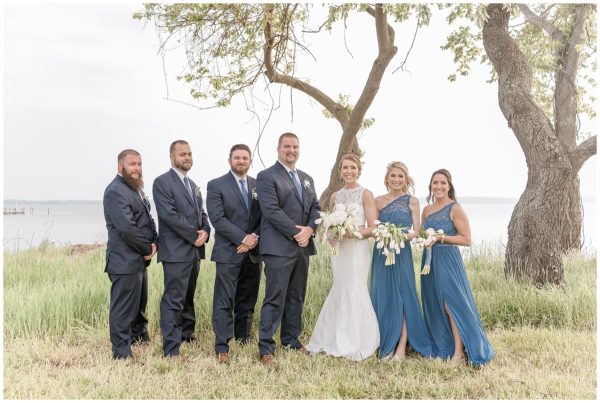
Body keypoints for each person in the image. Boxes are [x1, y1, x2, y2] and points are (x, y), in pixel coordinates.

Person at [306, 154, 380, 361]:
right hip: (340, 251)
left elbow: (373, 228)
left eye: (353, 168)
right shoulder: (334, 197)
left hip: (357, 249)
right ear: (340, 171)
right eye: (345, 168)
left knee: (355, 288)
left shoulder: (366, 194)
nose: (349, 171)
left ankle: (358, 340)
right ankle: (333, 337)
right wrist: (331, 236)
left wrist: (350, 233)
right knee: (340, 287)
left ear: (359, 170)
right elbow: (329, 225)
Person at [256, 132, 321, 366]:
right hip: (278, 248)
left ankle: (291, 339)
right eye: (287, 146)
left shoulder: (307, 178)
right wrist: (297, 232)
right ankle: (266, 347)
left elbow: (316, 207)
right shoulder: (266, 176)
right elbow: (271, 211)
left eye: (295, 146)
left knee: (296, 296)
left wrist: (310, 229)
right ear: (278, 149)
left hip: (302, 248)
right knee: (275, 297)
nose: (291, 150)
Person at [420, 168, 495, 366]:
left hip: (447, 259)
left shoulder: (455, 208)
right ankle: (443, 346)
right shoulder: (426, 210)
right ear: (430, 186)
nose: (438, 186)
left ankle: (459, 353)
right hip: (429, 261)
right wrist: (424, 240)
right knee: (434, 303)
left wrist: (441, 237)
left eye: (443, 183)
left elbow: (466, 239)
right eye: (435, 183)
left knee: (452, 305)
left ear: (449, 186)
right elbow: (422, 235)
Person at [152, 140, 211, 357]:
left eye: (189, 154)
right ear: (172, 157)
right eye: (182, 154)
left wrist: (205, 231)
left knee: (188, 296)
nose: (187, 158)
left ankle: (187, 334)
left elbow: (201, 214)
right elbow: (169, 216)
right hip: (176, 251)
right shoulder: (162, 182)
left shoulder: (193, 185)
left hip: (194, 251)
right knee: (173, 299)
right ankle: (171, 347)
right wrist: (194, 235)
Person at [369, 162, 433, 360]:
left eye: (400, 176)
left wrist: (399, 237)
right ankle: (387, 342)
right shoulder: (378, 201)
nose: (396, 180)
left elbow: (416, 230)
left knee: (404, 295)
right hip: (382, 253)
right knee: (385, 296)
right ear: (387, 178)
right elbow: (373, 227)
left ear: (406, 179)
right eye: (393, 176)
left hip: (401, 251)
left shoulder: (412, 201)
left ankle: (401, 347)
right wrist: (385, 236)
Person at [207, 144, 262, 365]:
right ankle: (222, 345)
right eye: (237, 158)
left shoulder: (258, 185)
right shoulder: (216, 185)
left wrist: (253, 239)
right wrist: (242, 239)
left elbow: (265, 217)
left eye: (245, 158)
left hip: (253, 252)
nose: (241, 161)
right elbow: (217, 219)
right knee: (224, 299)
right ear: (230, 160)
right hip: (228, 251)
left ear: (250, 161)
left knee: (247, 298)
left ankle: (243, 336)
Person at [103, 149, 157, 360]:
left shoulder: (134, 189)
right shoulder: (115, 191)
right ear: (120, 167)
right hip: (124, 261)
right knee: (123, 308)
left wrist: (155, 243)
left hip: (138, 261)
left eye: (139, 164)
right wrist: (147, 249)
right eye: (132, 164)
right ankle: (122, 351)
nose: (137, 169)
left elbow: (147, 220)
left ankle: (139, 337)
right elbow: (127, 228)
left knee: (138, 304)